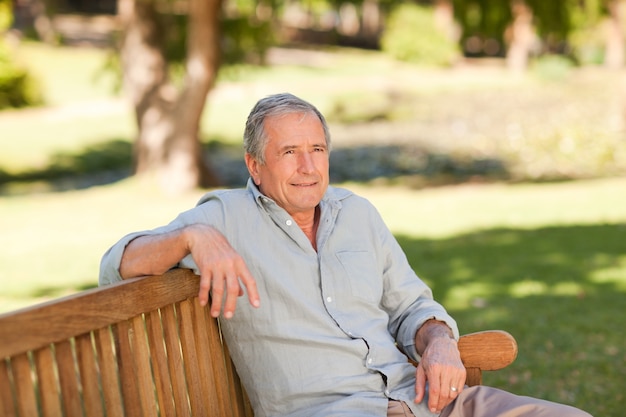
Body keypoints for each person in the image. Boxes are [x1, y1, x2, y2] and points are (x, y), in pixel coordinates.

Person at [100, 93, 592, 417]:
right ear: (254, 164)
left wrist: (440, 341)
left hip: (425, 401)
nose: (309, 167)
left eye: (318, 149)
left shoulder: (356, 213)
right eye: (290, 152)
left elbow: (411, 307)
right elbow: (116, 265)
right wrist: (191, 239)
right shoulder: (224, 217)